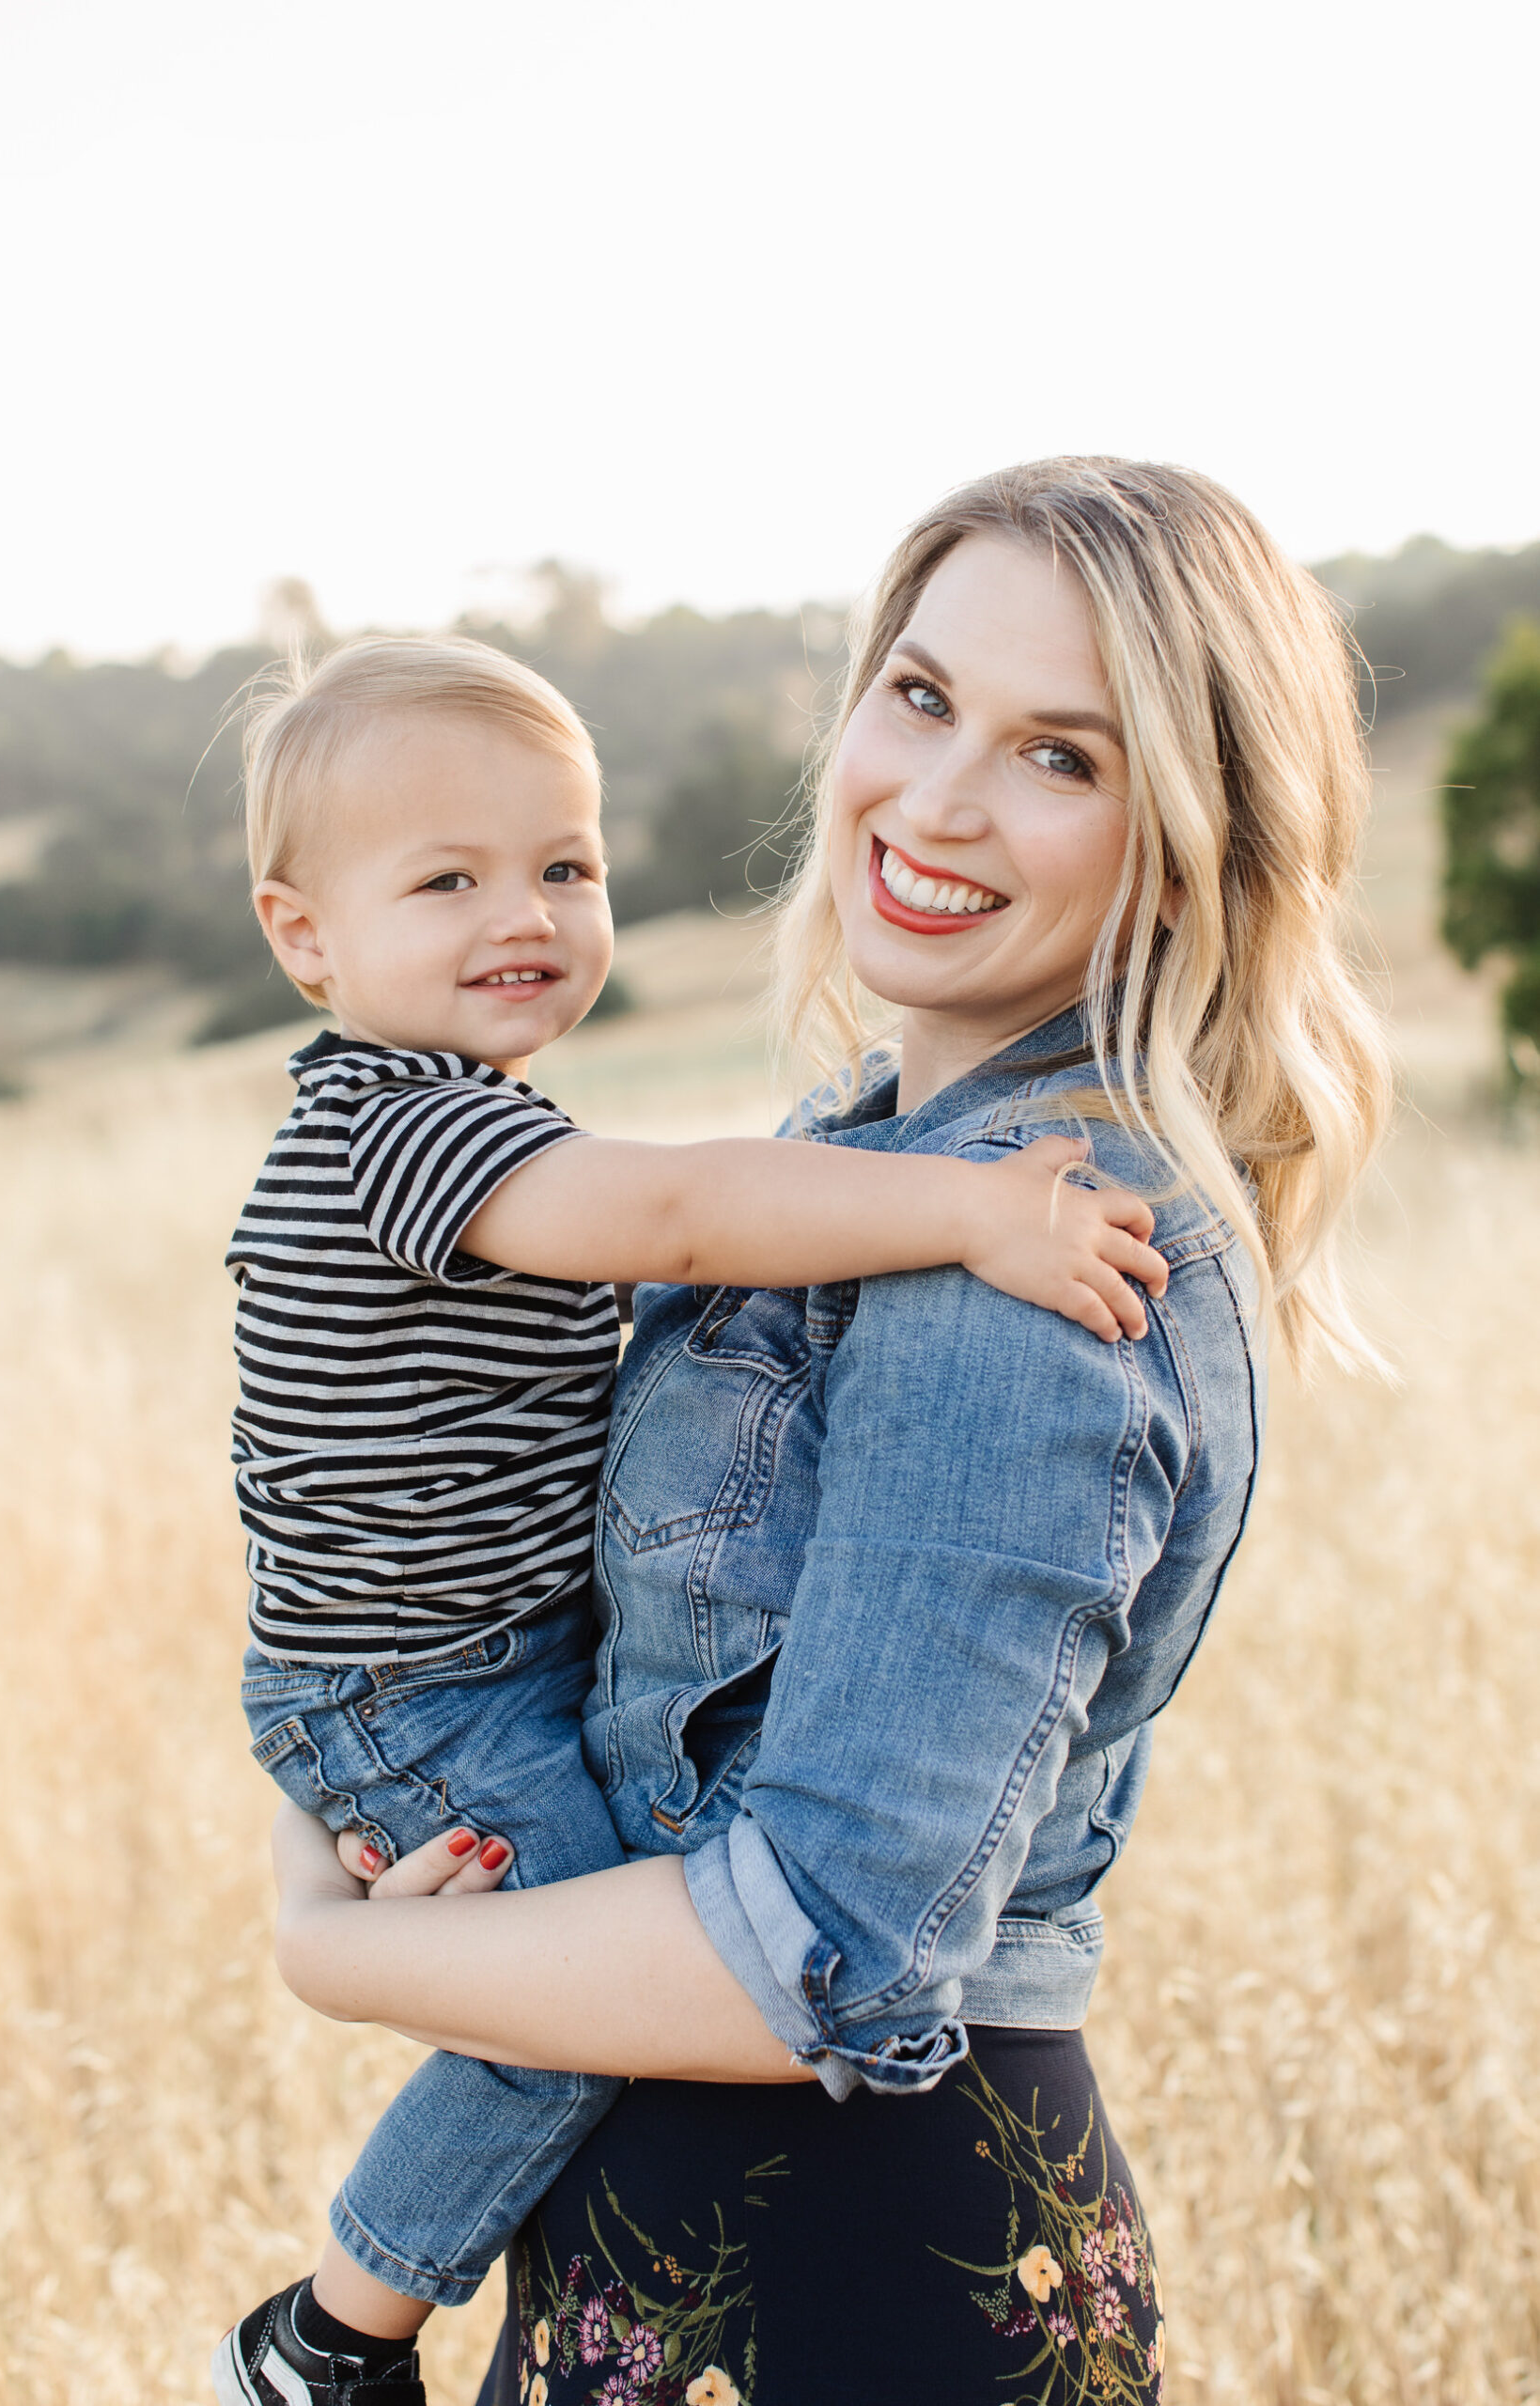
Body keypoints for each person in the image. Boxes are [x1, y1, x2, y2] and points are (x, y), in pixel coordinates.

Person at [263, 460, 1392, 2406]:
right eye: (921, 694)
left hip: (852, 2272)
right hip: (707, 2250)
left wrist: (340, 1953)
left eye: (1060, 754)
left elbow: (833, 1942)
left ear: (1190, 839)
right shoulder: (867, 1166)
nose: (938, 798)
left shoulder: (1016, 1262)